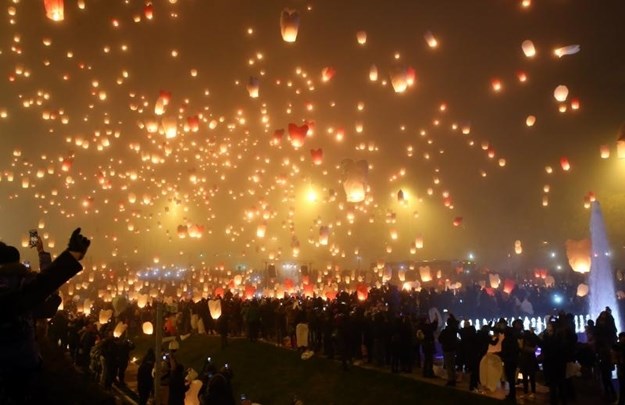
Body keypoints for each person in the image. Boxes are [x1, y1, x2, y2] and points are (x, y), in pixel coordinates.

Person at [0, 228, 91, 404]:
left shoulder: (24, 299)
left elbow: (41, 289)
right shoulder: (20, 297)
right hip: (23, 370)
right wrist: (66, 256)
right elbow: (42, 287)